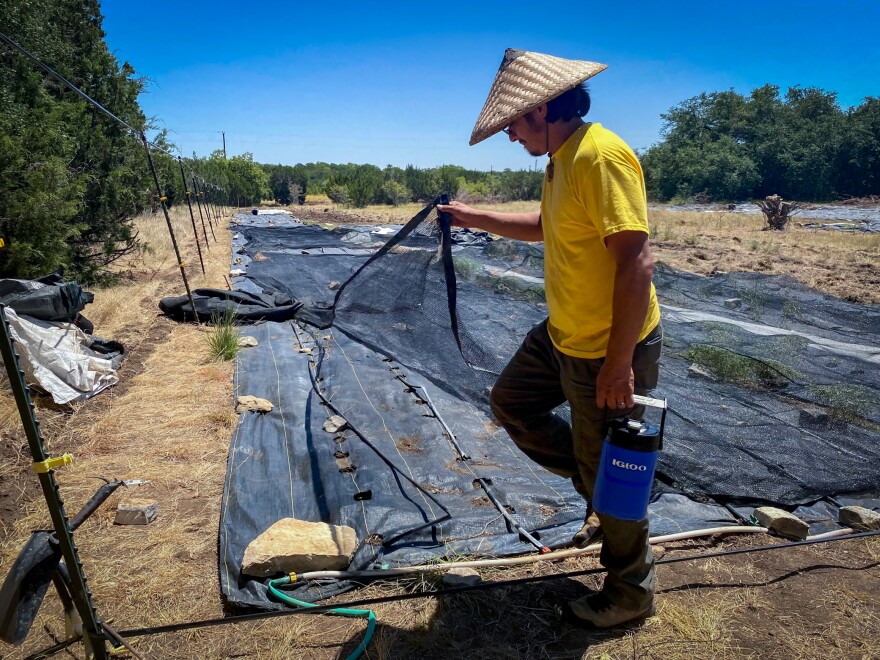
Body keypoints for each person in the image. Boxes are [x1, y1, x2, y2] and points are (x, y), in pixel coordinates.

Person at [438, 48, 662, 628]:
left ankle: (629, 594)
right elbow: (547, 227)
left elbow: (636, 261)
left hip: (606, 348)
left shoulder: (600, 157)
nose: (511, 136)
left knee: (615, 471)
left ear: (541, 109)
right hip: (562, 335)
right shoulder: (560, 162)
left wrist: (618, 365)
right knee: (512, 402)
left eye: (513, 123)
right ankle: (596, 486)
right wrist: (472, 217)